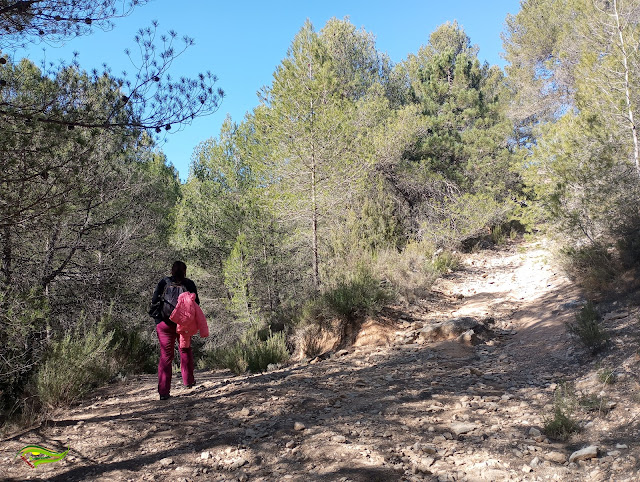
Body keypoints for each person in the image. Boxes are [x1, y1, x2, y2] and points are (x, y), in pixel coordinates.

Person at [150, 261, 199, 400]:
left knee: (166, 356)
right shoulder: (189, 284)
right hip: (183, 325)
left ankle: (164, 392)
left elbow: (154, 301)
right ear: (185, 271)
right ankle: (189, 381)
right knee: (185, 350)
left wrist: (159, 319)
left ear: (171, 270)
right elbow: (197, 304)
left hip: (164, 324)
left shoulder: (163, 282)